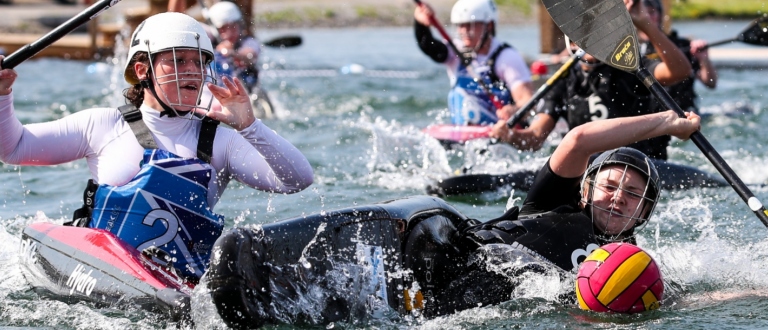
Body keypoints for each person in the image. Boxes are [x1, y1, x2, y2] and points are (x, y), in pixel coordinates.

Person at [205, 108, 701, 326]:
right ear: (588, 188)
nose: (618, 198)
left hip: (485, 300)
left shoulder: (635, 266)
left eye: (632, 195)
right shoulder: (556, 202)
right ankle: (258, 260)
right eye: (610, 186)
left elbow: (689, 295)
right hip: (456, 245)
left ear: (644, 211)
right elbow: (578, 141)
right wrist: (666, 125)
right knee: (419, 220)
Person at [0, 12, 313, 281]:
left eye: (199, 61)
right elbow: (14, 148)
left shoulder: (220, 140)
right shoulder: (104, 125)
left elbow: (297, 180)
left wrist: (249, 126)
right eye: (177, 60)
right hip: (103, 271)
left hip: (175, 283)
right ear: (142, 71)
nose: (191, 70)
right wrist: (3, 95)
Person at [491, 0, 692, 161]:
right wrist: (510, 136)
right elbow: (536, 138)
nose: (589, 40)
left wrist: (645, 24)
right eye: (582, 33)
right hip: (589, 168)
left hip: (637, 163)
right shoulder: (564, 78)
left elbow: (680, 71)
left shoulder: (629, 64)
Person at [414, 0, 534, 126]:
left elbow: (527, 101)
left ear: (489, 26)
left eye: (471, 25)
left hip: (498, 131)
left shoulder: (507, 57)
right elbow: (428, 46)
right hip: (464, 133)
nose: (465, 31)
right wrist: (420, 24)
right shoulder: (455, 51)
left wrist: (513, 110)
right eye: (461, 25)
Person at [640, 0, 717, 114]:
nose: (648, 18)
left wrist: (703, 59)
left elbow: (710, 83)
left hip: (685, 113)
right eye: (644, 13)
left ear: (660, 15)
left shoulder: (681, 45)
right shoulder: (631, 48)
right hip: (652, 118)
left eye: (652, 12)